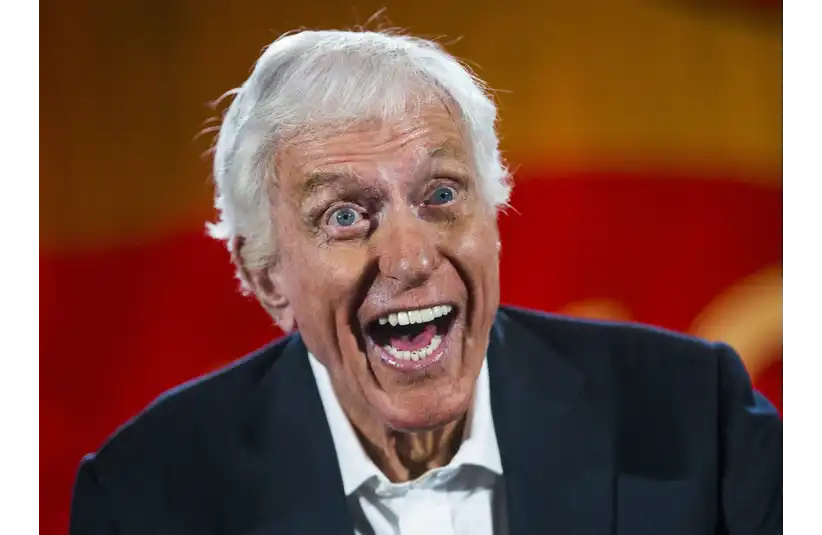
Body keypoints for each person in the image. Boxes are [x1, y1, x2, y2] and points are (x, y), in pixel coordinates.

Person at [68, 29, 783, 535]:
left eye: (441, 194)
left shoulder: (694, 414)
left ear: (493, 218)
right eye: (345, 214)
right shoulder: (146, 493)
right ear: (268, 278)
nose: (410, 258)